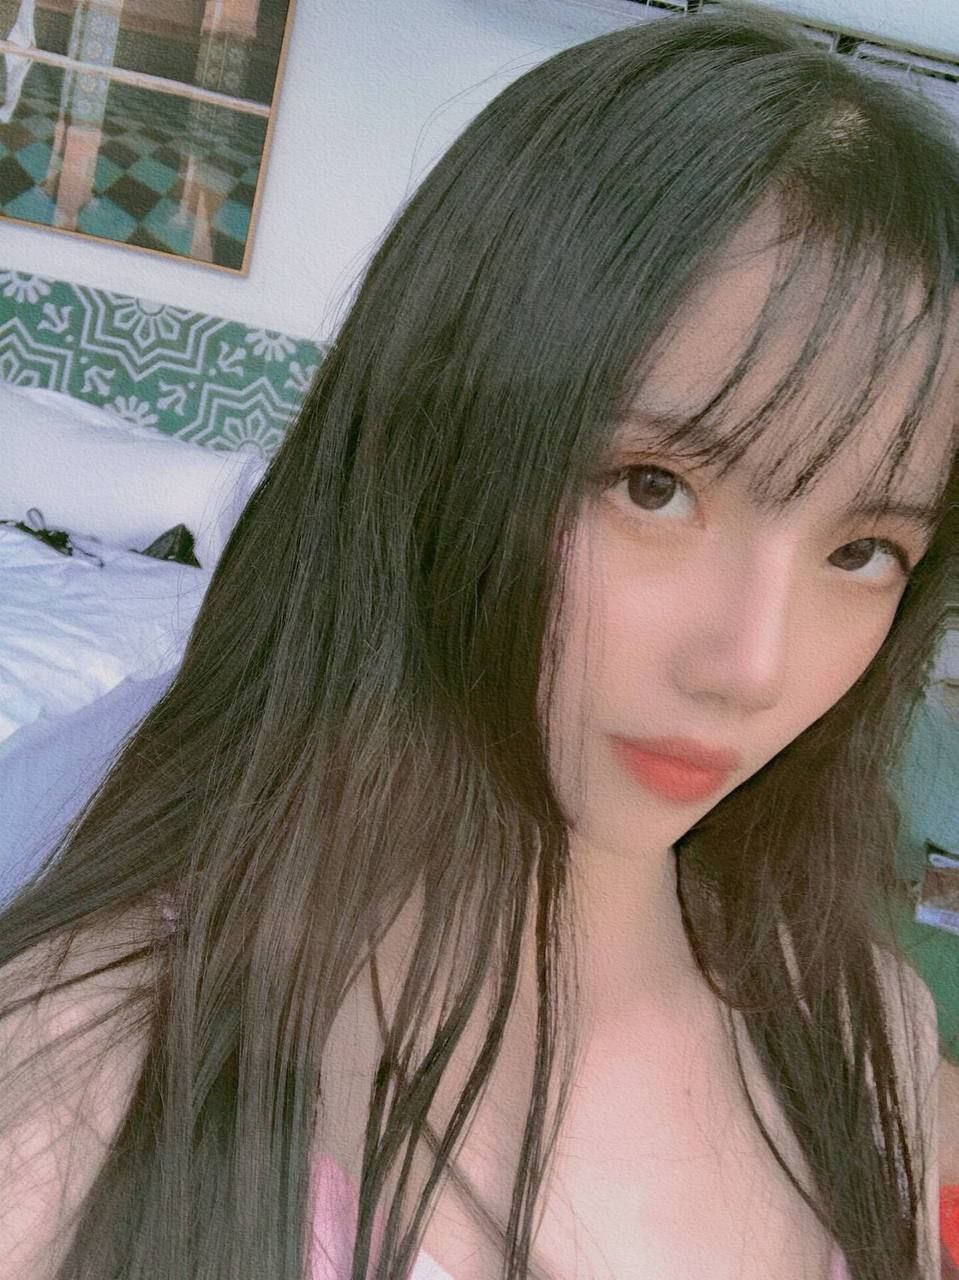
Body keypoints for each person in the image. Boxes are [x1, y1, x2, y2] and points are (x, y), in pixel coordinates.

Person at [0, 6, 956, 1279]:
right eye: (653, 486)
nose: (751, 666)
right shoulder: (89, 1073)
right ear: (438, 446)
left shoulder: (866, 1033)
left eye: (862, 549)